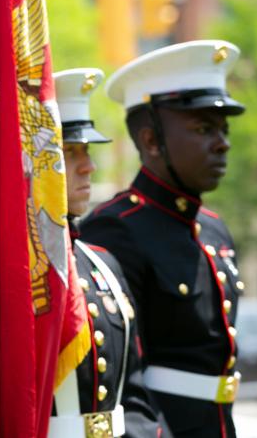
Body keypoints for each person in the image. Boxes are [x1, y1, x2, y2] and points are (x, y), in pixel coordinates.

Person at [80, 41, 246, 437]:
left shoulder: (214, 229)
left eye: (223, 129)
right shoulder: (113, 230)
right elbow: (117, 375)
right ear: (151, 141)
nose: (222, 142)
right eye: (204, 129)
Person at [48, 68, 169, 438]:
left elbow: (132, 391)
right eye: (69, 151)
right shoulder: (5, 267)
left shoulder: (103, 263)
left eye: (86, 151)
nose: (89, 166)